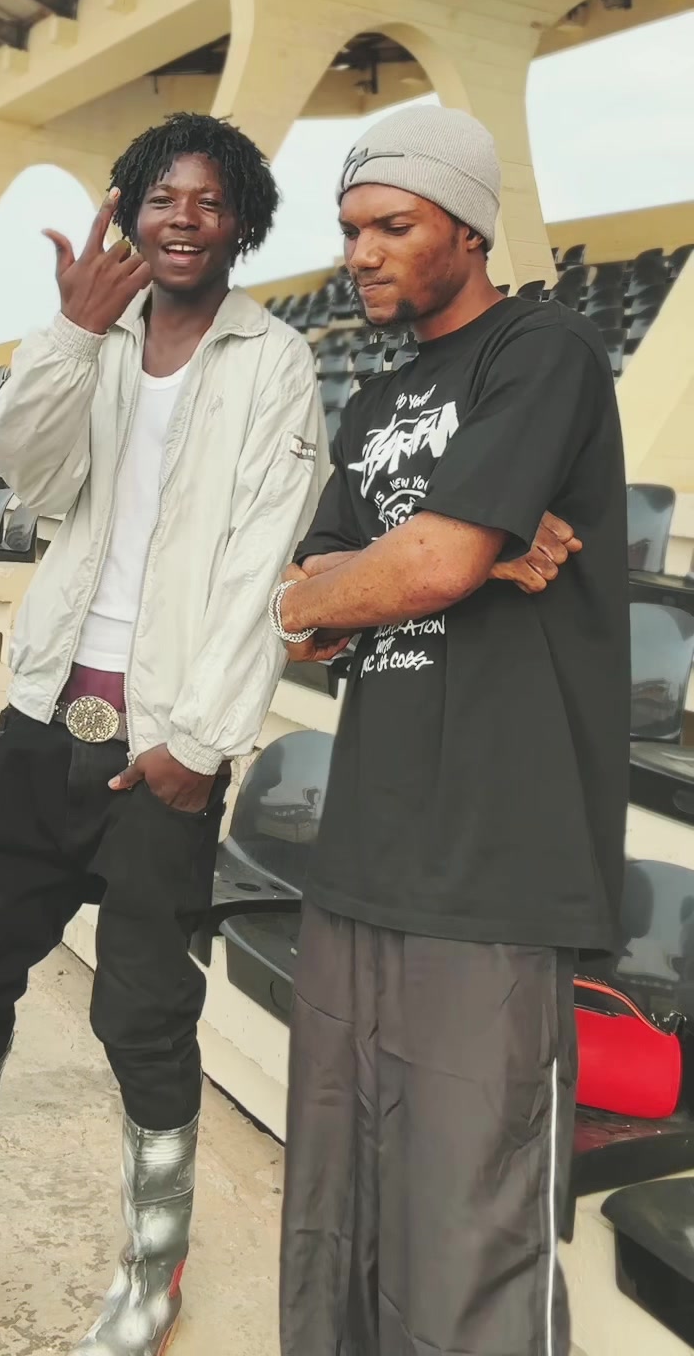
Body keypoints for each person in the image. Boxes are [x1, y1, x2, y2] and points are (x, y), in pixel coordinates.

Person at [0, 112, 327, 1355]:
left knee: (143, 1016)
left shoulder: (273, 361)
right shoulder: (92, 336)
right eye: (161, 196)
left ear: (243, 222)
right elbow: (25, 467)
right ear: (128, 210)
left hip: (162, 745)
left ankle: (150, 1272)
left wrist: (202, 742)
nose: (182, 217)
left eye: (208, 200)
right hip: (38, 722)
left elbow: (259, 565)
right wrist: (67, 334)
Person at [272, 105, 630, 1356]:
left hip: (497, 855)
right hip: (364, 847)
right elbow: (301, 613)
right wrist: (426, 559)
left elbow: (416, 571)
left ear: (469, 228)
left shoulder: (544, 351)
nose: (360, 254)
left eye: (392, 225)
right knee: (340, 1212)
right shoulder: (377, 402)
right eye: (349, 230)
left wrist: (416, 565)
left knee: (472, 1227)